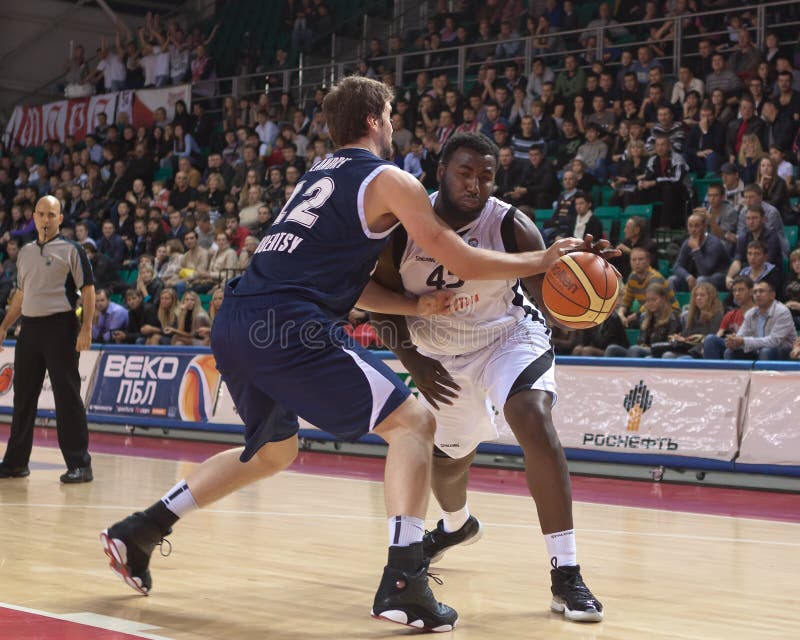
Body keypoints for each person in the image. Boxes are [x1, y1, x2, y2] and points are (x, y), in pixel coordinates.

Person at [99, 77, 582, 631]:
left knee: (272, 453)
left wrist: (413, 307)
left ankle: (141, 529)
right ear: (376, 119)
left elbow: (346, 285)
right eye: (394, 112)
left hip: (237, 320)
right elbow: (455, 253)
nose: (396, 122)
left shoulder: (315, 177)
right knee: (414, 423)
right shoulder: (388, 178)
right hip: (287, 324)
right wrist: (540, 261)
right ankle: (404, 580)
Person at [370, 132, 605, 622]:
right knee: (451, 461)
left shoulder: (512, 225)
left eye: (486, 175)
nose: (476, 184)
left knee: (532, 418)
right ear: (440, 172)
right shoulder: (402, 229)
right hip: (438, 355)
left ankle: (567, 574)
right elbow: (382, 307)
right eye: (465, 172)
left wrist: (587, 273)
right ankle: (456, 526)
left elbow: (553, 299)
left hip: (507, 338)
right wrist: (414, 360)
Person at [0, 195, 95, 483]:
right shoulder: (25, 252)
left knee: (66, 396)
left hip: (61, 328)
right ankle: (16, 462)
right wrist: (4, 325)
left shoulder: (72, 250)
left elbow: (88, 291)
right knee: (24, 397)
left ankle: (80, 464)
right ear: (34, 217)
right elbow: (21, 293)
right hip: (29, 329)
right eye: (40, 214)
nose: (44, 219)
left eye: (51, 215)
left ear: (60, 218)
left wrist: (86, 329)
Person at [703, 280, 795, 360]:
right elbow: (741, 336)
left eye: (761, 291)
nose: (757, 294)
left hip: (782, 351)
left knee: (766, 351)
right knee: (713, 341)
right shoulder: (750, 313)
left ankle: (764, 379)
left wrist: (743, 340)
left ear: (772, 295)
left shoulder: (782, 311)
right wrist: (733, 341)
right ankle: (719, 377)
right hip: (756, 349)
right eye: (755, 292)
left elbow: (774, 342)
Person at [703, 275, 754, 359]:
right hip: (735, 346)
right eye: (734, 290)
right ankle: (711, 371)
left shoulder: (758, 312)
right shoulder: (730, 314)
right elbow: (718, 335)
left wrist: (739, 339)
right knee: (710, 339)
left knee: (730, 352)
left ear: (751, 292)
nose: (737, 293)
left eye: (741, 290)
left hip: (751, 347)